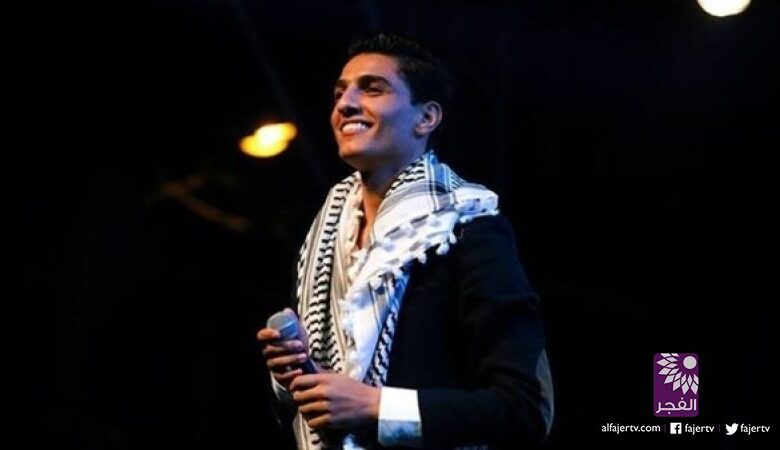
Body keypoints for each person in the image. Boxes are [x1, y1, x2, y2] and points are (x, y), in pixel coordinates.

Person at [257, 33, 553, 449]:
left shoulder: (469, 227)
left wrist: (376, 406)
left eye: (372, 88)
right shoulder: (325, 235)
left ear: (426, 118)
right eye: (340, 93)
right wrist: (293, 374)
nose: (345, 104)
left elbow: (525, 408)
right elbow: (308, 413)